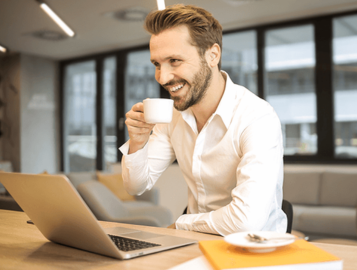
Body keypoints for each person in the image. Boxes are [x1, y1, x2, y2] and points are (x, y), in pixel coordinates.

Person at [120, 4, 286, 236]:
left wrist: (182, 223)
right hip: (196, 243)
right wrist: (137, 142)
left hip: (254, 248)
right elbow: (136, 186)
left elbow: (246, 222)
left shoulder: (257, 117)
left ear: (212, 55)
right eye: (157, 64)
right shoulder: (173, 117)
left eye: (174, 61)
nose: (163, 77)